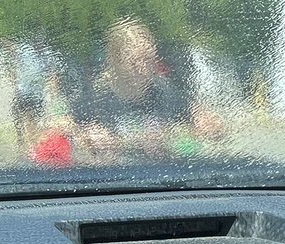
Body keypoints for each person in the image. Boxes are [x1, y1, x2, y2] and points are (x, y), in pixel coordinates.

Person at [69, 18, 193, 161]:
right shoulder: (96, 98)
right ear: (115, 62)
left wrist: (201, 122)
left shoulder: (162, 90)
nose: (144, 69)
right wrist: (86, 136)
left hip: (158, 173)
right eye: (134, 62)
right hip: (116, 176)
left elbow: (189, 119)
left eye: (148, 60)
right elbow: (64, 128)